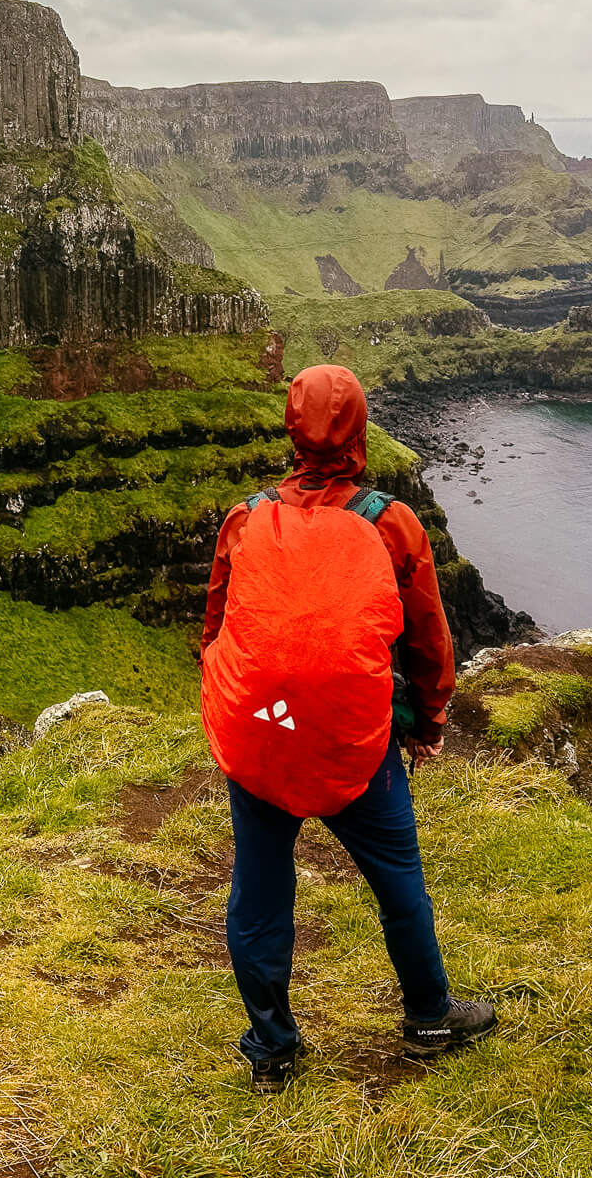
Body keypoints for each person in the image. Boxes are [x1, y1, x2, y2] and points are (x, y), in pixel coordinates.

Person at [200, 364, 496, 1094]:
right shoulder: (389, 522)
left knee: (259, 894)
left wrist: (247, 706)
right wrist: (427, 723)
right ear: (360, 430)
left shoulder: (245, 517)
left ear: (291, 432)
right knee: (398, 880)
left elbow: (214, 627)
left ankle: (271, 1050)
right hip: (351, 737)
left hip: (263, 727)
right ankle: (430, 1017)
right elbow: (428, 639)